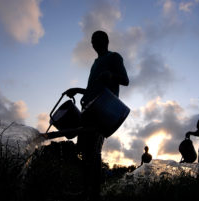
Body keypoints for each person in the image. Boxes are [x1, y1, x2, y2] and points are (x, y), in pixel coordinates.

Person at [64, 30, 129, 201]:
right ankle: (86, 191)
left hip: (103, 109)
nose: (93, 43)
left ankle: (95, 193)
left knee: (94, 150)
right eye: (92, 40)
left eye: (97, 39)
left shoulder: (114, 57)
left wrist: (111, 75)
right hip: (89, 109)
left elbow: (125, 80)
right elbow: (93, 89)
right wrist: (78, 90)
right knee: (85, 152)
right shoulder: (95, 63)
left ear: (106, 40)